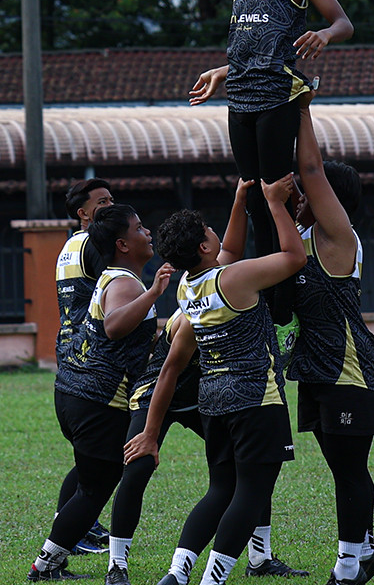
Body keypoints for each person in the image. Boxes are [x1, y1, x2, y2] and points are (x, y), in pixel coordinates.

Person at [111, 182, 307, 585]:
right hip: (256, 401)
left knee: (220, 491)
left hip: (214, 403)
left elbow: (170, 368)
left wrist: (238, 201)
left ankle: (176, 574)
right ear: (203, 247)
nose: (215, 232)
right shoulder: (234, 280)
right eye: (208, 230)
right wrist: (272, 203)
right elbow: (294, 257)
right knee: (251, 495)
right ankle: (212, 580)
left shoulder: (188, 287)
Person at [189, 0, 352, 321]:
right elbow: (254, 44)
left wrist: (323, 34)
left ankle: (283, 297)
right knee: (251, 194)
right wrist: (222, 71)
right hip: (238, 98)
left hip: (276, 95)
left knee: (274, 191)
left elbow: (343, 21)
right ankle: (267, 290)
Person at [30, 205, 173, 582]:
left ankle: (48, 562)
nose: (148, 233)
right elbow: (113, 327)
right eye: (141, 228)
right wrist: (156, 291)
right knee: (96, 488)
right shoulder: (125, 282)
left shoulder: (117, 277)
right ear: (123, 244)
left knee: (92, 481)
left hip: (77, 393)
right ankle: (45, 565)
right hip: (95, 399)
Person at [288, 98, 374, 585]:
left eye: (309, 192)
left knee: (350, 471)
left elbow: (308, 166)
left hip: (350, 369)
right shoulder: (300, 240)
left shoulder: (338, 237)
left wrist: (301, 105)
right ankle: (364, 548)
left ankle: (349, 567)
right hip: (315, 369)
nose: (301, 197)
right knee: (342, 471)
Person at [53, 178, 117, 556]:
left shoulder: (68, 245)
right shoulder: (94, 243)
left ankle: (78, 526)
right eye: (102, 201)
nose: (111, 205)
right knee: (99, 457)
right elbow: (115, 292)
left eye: (112, 198)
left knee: (90, 455)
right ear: (83, 213)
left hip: (70, 354)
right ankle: (75, 530)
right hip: (92, 359)